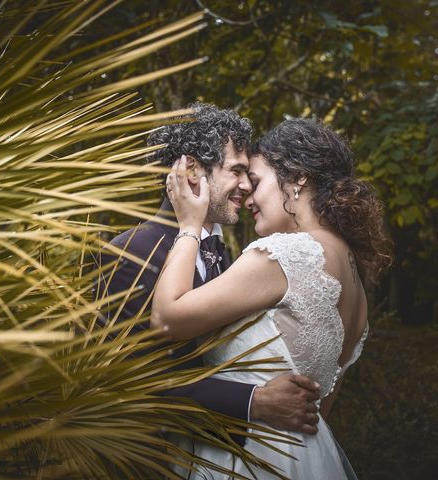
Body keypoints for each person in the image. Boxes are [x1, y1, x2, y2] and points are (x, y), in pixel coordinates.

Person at [153, 117, 391, 479]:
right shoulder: (354, 279)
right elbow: (315, 412)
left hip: (249, 459)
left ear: (298, 180)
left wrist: (188, 226)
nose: (247, 192)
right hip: (308, 459)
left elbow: (168, 318)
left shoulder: (285, 255)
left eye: (258, 180)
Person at [97, 104, 322, 456]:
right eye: (236, 171)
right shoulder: (128, 252)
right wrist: (254, 402)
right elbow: (130, 382)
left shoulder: (225, 254)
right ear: (191, 170)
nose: (246, 185)